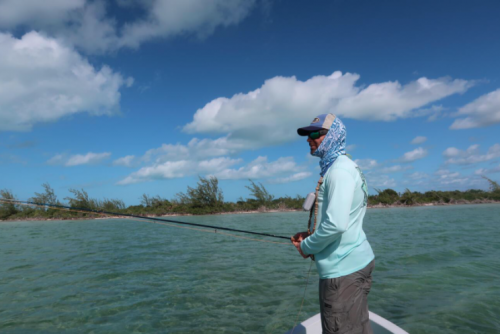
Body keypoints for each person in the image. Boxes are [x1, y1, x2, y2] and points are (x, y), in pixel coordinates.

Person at [292, 113, 375, 334]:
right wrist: (311, 234)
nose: (309, 139)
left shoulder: (338, 171)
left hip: (342, 272)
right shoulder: (345, 166)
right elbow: (339, 220)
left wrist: (306, 247)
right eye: (307, 135)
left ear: (334, 136)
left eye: (315, 134)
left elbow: (337, 225)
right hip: (356, 262)